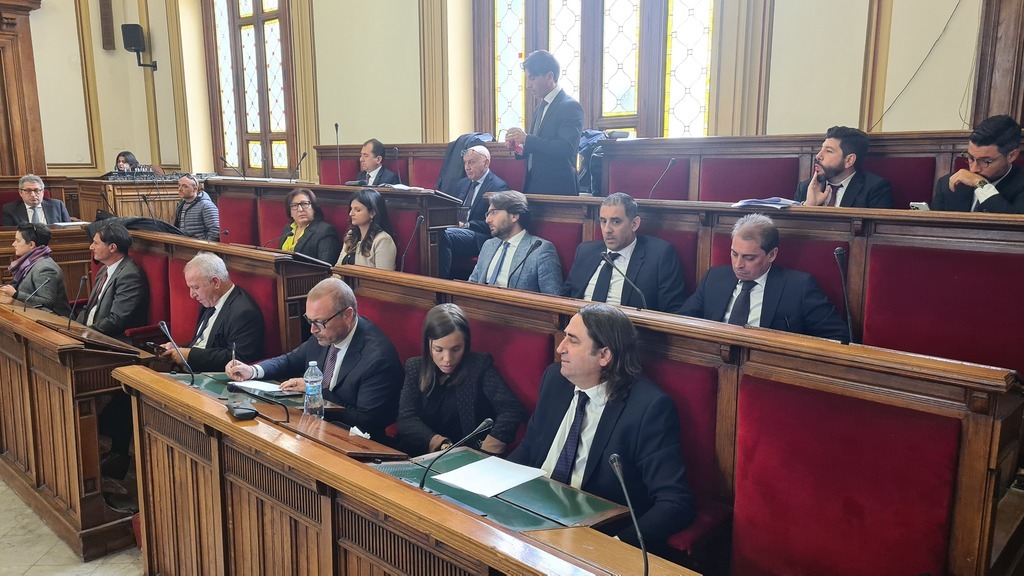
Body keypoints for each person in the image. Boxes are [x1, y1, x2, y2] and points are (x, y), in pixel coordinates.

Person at [508, 304, 695, 552]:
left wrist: (614, 547)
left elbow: (675, 502)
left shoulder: (648, 408)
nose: (560, 348)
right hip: (531, 513)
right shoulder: (556, 379)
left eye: (573, 340)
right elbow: (529, 449)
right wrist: (489, 488)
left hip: (592, 536)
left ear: (604, 355)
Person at [225, 278, 403, 439]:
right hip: (316, 427)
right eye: (309, 321)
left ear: (347, 315)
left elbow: (366, 422)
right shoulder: (325, 333)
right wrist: (252, 371)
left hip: (354, 441)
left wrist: (315, 391)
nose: (313, 330)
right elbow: (289, 360)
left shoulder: (377, 359)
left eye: (319, 322)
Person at [680, 213, 849, 342]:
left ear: (772, 255)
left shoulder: (799, 287)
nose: (738, 265)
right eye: (734, 254)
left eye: (749, 258)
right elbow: (681, 322)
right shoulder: (714, 278)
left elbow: (838, 337)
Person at [396, 303, 527, 457]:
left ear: (466, 344)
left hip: (467, 457)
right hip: (420, 453)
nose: (447, 359)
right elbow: (406, 418)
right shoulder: (415, 367)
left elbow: (511, 409)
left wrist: (489, 447)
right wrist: (440, 444)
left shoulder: (479, 366)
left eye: (456, 349)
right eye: (439, 350)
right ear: (428, 345)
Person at [563, 193, 686, 313]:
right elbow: (563, 298)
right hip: (579, 323)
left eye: (616, 221)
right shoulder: (585, 251)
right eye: (603, 221)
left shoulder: (660, 255)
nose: (607, 229)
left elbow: (673, 312)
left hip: (627, 325)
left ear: (634, 224)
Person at [157, 252, 264, 372]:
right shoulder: (209, 301)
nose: (192, 295)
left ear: (216, 282)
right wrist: (177, 349)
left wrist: (189, 355)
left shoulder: (244, 312)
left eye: (196, 287)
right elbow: (202, 344)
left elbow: (237, 359)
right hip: (192, 371)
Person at [505, 50, 584, 196]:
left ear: (549, 76)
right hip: (533, 186)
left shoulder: (570, 106)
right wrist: (519, 147)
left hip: (557, 190)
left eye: (532, 78)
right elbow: (537, 148)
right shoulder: (540, 107)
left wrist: (527, 139)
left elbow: (566, 148)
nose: (528, 85)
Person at [467, 190, 563, 294]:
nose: (487, 220)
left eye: (493, 213)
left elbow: (553, 296)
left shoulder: (540, 250)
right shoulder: (488, 245)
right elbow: (472, 285)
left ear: (514, 216)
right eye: (488, 214)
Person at [438, 145, 511, 279]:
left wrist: (466, 225)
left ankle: (440, 284)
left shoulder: (498, 186)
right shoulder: (462, 184)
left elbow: (498, 224)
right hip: (458, 230)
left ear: (486, 163)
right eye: (465, 163)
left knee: (444, 235)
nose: (467, 167)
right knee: (430, 232)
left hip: (480, 236)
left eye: (471, 162)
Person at [932, 114, 1023, 213]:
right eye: (971, 158)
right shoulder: (948, 184)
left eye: (986, 161)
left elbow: (1014, 221)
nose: (973, 169)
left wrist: (981, 184)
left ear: (1012, 156)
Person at [77, 222, 149, 338]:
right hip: (92, 334)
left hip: (112, 340)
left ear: (112, 247)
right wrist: (75, 329)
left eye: (96, 243)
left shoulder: (130, 276)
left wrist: (85, 333)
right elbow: (89, 308)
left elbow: (116, 320)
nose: (91, 247)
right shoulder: (104, 270)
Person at [794, 126, 894, 208]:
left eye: (829, 151)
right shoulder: (806, 187)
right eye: (821, 149)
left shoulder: (875, 189)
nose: (818, 156)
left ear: (849, 160)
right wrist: (808, 206)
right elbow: (792, 225)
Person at [0, 223, 71, 316]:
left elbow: (47, 302)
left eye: (17, 240)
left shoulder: (45, 268)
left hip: (54, 321)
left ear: (31, 244)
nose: (13, 244)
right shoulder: (28, 263)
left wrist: (16, 294)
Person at [337, 188, 397, 270]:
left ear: (372, 213)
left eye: (357, 210)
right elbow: (338, 267)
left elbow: (384, 276)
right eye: (351, 209)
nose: (351, 213)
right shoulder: (351, 234)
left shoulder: (383, 240)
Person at [279, 188, 342, 264]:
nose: (300, 209)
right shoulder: (288, 229)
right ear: (290, 212)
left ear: (314, 208)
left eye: (304, 204)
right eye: (294, 205)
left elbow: (326, 265)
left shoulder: (325, 231)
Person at [1, 174, 72, 226]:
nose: (33, 194)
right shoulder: (10, 209)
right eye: (28, 191)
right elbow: (9, 233)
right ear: (20, 193)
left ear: (42, 192)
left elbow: (68, 227)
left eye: (36, 190)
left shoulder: (57, 205)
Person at [173, 174, 220, 241]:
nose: (180, 189)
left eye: (185, 186)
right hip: (184, 244)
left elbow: (216, 229)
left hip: (200, 245)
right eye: (179, 185)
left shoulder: (206, 205)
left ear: (195, 189)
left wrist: (205, 246)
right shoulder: (181, 205)